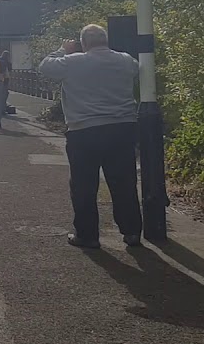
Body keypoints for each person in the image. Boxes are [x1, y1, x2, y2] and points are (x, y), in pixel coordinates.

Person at [38, 24, 142, 249]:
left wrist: (63, 49)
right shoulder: (125, 60)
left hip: (84, 130)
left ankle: (88, 235)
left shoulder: (73, 61)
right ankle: (132, 231)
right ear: (106, 41)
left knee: (84, 185)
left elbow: (45, 67)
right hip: (122, 128)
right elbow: (136, 69)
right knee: (124, 182)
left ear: (84, 43)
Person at [0, 50, 12, 115]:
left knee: (3, 94)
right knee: (4, 94)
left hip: (2, 79)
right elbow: (9, 69)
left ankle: (2, 108)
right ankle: (2, 109)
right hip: (5, 79)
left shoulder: (0, 61)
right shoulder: (6, 62)